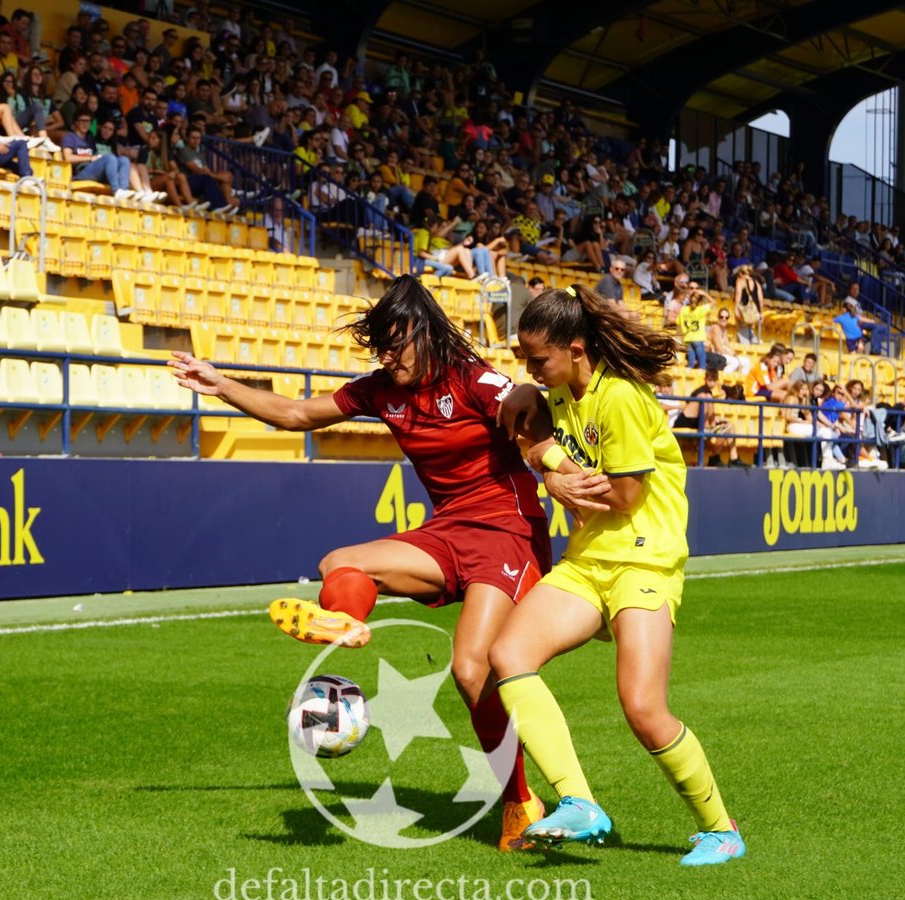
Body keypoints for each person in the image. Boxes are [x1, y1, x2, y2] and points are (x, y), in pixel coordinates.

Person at [169, 276, 552, 852]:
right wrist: (222, 384)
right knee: (341, 563)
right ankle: (347, 622)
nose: (388, 357)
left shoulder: (471, 379)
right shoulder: (381, 390)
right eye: (381, 347)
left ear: (425, 333)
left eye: (396, 344)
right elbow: (296, 413)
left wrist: (528, 403)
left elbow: (520, 396)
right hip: (449, 530)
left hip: (507, 530)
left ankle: (520, 802)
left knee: (472, 669)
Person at [489, 284, 745, 864]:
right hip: (585, 562)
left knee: (643, 708)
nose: (528, 371)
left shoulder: (622, 398)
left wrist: (548, 461)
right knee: (507, 656)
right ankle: (578, 802)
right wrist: (532, 407)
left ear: (576, 348)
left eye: (538, 360)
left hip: (643, 560)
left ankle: (721, 830)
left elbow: (626, 494)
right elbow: (531, 432)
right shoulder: (552, 391)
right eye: (525, 361)